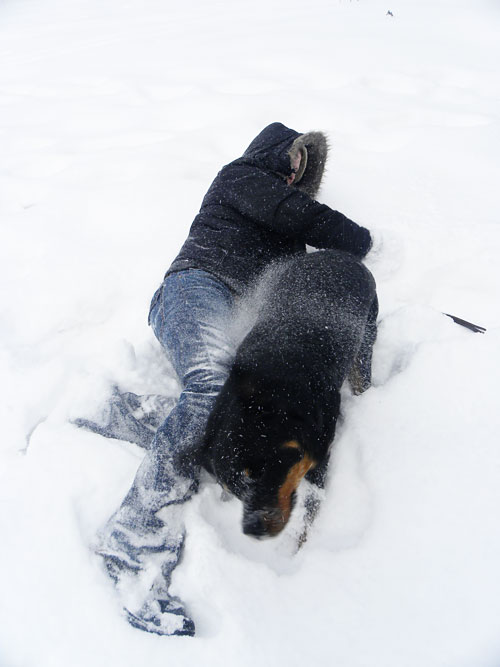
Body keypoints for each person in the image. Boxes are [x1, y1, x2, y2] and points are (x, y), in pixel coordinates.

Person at [86, 122, 372, 636]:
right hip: (196, 287)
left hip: (229, 311)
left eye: (303, 170)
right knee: (214, 388)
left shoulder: (287, 242)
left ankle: (131, 412)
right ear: (271, 156)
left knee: (235, 413)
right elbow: (327, 228)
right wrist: (361, 239)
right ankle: (131, 547)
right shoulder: (242, 177)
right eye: (291, 161)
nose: (293, 174)